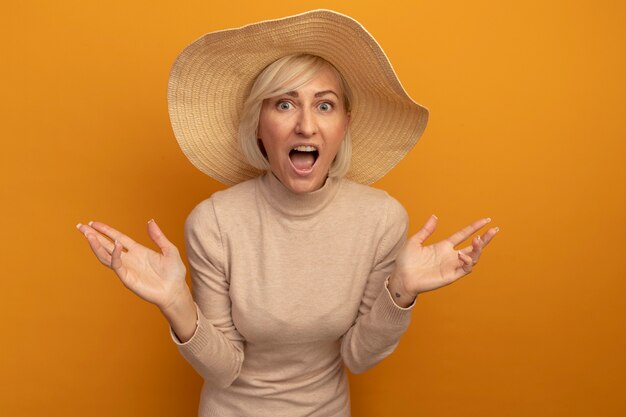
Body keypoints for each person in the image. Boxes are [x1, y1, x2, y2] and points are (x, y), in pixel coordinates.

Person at [76, 10, 498, 417]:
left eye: (325, 105)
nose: (306, 126)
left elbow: (359, 357)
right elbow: (225, 368)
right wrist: (175, 302)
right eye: (284, 104)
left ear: (345, 124)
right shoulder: (214, 224)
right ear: (259, 124)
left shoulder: (382, 220)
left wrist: (401, 290)